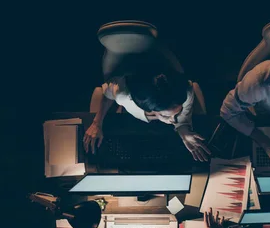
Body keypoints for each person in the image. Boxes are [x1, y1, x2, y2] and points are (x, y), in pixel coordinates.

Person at [83, 67, 211, 162]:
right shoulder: (123, 95)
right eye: (166, 116)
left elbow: (182, 120)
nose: (173, 120)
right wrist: (97, 123)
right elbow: (106, 95)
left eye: (177, 112)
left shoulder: (185, 92)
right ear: (151, 110)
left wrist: (183, 130)